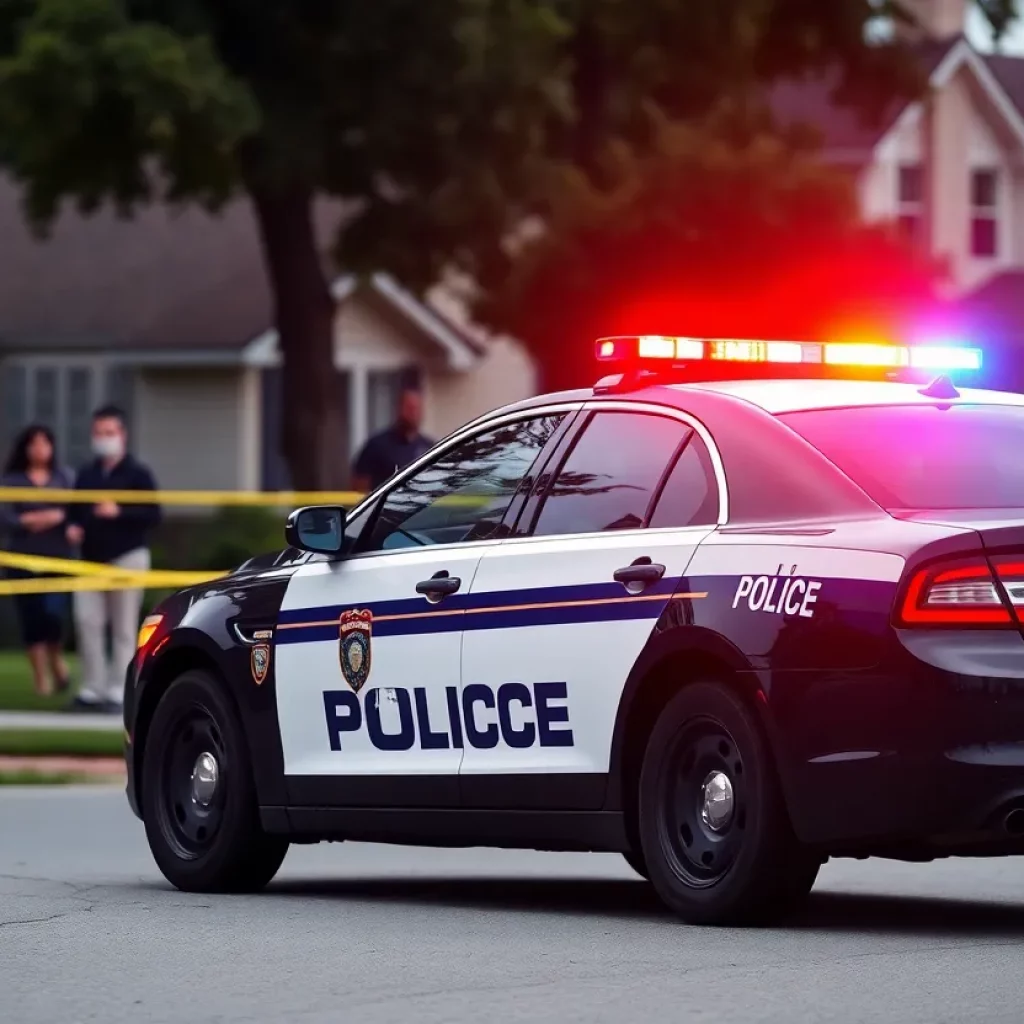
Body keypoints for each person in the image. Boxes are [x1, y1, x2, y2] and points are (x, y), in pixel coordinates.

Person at [66, 405, 161, 713]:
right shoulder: (86, 473)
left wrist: (119, 511)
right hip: (89, 559)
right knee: (87, 621)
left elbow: (154, 514)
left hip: (128, 556)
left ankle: (119, 691)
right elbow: (75, 510)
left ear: (122, 435)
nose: (103, 439)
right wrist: (73, 526)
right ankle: (92, 688)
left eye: (109, 433)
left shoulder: (138, 473)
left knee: (123, 626)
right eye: (98, 433)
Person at [0, 425, 75, 697]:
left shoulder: (64, 477)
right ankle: (40, 678)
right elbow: (6, 517)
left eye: (45, 443)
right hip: (21, 559)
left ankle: (56, 661)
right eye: (34, 443)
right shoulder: (12, 480)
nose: (40, 449)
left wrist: (52, 518)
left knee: (54, 617)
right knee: (31, 619)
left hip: (59, 560)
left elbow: (73, 512)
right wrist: (34, 519)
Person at [351, 387, 434, 491]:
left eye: (416, 408)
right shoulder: (376, 445)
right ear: (398, 408)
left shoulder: (429, 448)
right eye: (409, 408)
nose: (413, 413)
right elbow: (359, 485)